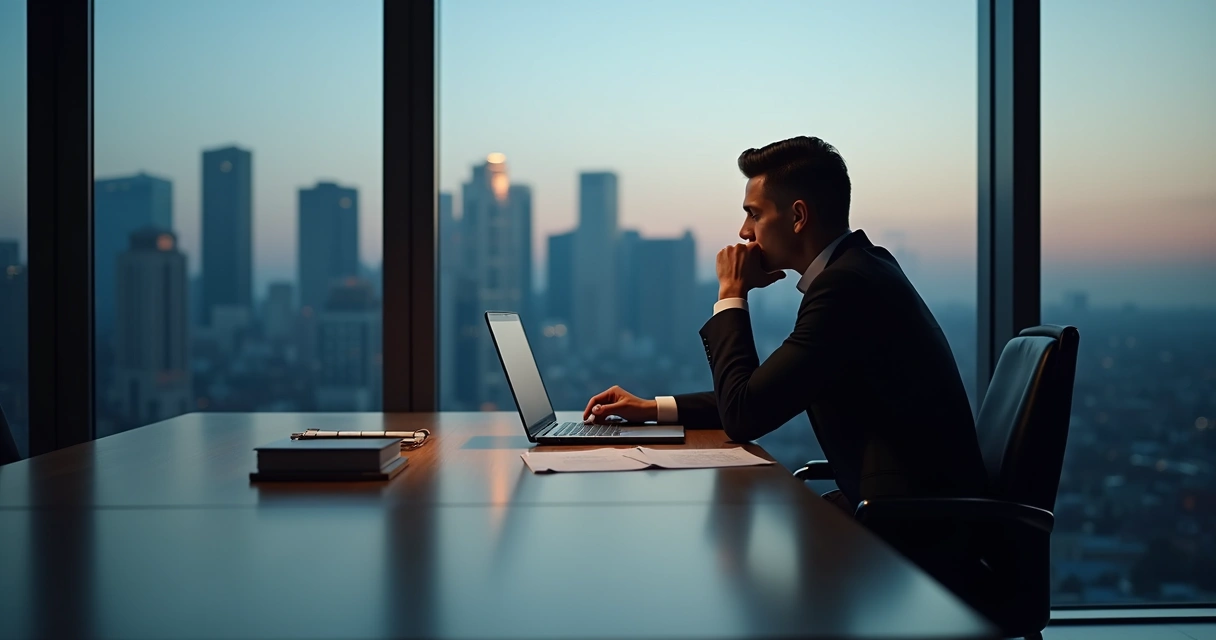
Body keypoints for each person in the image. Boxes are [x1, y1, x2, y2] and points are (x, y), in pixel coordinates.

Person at [582, 136, 987, 513]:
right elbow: (766, 393)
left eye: (754, 214)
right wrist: (652, 409)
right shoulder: (864, 267)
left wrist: (731, 293)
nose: (743, 232)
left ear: (797, 216)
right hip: (903, 512)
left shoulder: (844, 287)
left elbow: (745, 414)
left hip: (913, 533)